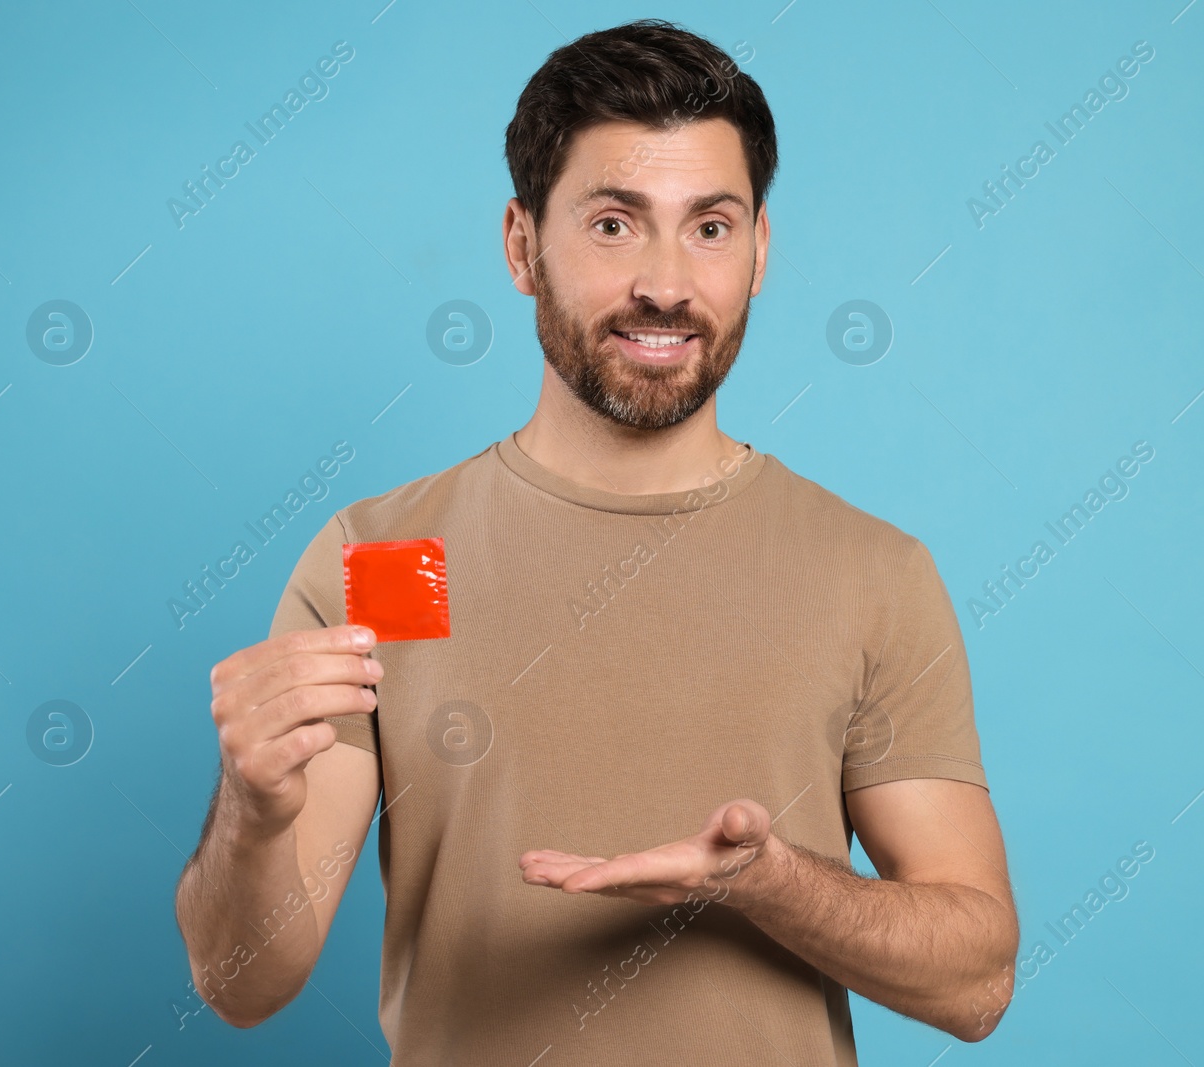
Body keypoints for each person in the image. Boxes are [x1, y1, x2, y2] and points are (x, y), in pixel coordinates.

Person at [174, 18, 1018, 1063]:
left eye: (709, 227)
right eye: (614, 223)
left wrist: (769, 881)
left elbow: (976, 982)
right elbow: (243, 984)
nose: (666, 282)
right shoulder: (390, 562)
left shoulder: (870, 573)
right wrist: (252, 812)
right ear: (522, 245)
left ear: (760, 251)